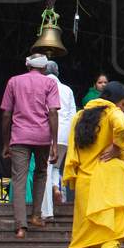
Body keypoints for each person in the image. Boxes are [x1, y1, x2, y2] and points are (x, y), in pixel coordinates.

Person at [49, 82, 124, 248]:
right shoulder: (113, 113)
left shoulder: (80, 116)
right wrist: (119, 146)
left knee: (78, 243)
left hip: (84, 186)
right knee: (110, 240)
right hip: (107, 185)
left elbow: (73, 152)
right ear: (119, 100)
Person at [0, 54, 60, 238]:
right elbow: (52, 113)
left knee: (19, 178)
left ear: (28, 66)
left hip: (19, 136)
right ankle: (36, 215)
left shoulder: (14, 82)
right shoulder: (50, 84)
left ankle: (20, 226)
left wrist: (5, 142)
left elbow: (6, 114)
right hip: (42, 136)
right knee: (41, 173)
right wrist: (54, 143)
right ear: (44, 68)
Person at [43, 60, 76, 210]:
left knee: (44, 169)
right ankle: (56, 188)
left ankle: (46, 209)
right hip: (65, 136)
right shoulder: (67, 89)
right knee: (55, 167)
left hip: (47, 133)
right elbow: (73, 115)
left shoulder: (42, 85)